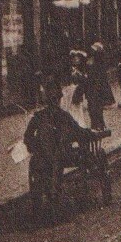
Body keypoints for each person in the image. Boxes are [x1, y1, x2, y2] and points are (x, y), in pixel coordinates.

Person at [24, 81, 89, 222]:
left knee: (38, 176)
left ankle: (38, 210)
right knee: (55, 169)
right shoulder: (64, 116)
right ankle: (55, 207)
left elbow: (27, 137)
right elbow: (79, 132)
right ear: (59, 100)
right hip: (57, 157)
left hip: (39, 159)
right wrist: (89, 133)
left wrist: (35, 148)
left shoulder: (38, 116)